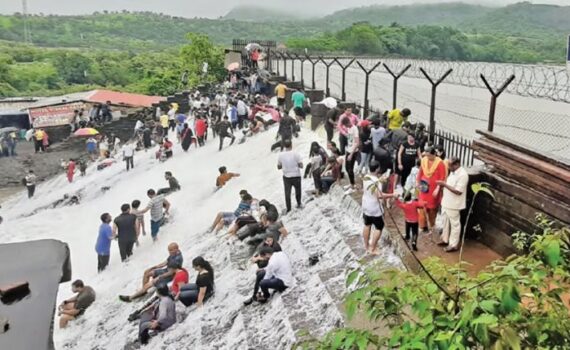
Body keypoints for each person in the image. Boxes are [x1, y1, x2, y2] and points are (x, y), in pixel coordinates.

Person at [361, 160, 397, 255]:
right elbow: (379, 195)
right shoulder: (377, 182)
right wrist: (392, 194)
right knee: (379, 227)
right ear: (377, 169)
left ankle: (366, 246)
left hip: (365, 205)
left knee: (367, 224)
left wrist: (380, 179)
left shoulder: (366, 177)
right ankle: (373, 248)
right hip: (375, 207)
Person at [436, 157, 469, 252]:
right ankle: (445, 239)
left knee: (455, 224)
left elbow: (458, 191)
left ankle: (453, 244)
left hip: (454, 204)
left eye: (450, 166)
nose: (449, 168)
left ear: (456, 164)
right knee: (445, 221)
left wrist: (444, 184)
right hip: (446, 201)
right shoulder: (453, 172)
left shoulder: (463, 175)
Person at [417, 146, 447, 235]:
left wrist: (438, 188)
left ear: (434, 154)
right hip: (424, 187)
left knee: (432, 209)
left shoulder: (440, 163)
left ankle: (432, 225)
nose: (428, 157)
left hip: (434, 190)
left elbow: (442, 177)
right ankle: (422, 226)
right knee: (421, 207)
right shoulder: (424, 160)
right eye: (426, 155)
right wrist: (418, 182)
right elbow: (420, 172)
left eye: (429, 156)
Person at [278, 139, 303, 213]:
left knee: (287, 193)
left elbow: (279, 167)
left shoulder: (281, 155)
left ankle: (288, 209)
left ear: (284, 146)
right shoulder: (296, 154)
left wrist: (285, 165)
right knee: (298, 191)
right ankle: (299, 204)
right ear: (291, 145)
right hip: (296, 175)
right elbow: (301, 165)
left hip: (286, 177)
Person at [343, 117, 360, 194]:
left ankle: (353, 186)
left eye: (346, 125)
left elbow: (357, 143)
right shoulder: (349, 129)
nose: (346, 127)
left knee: (350, 169)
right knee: (346, 168)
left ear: (348, 122)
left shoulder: (355, 129)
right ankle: (351, 183)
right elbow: (350, 139)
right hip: (348, 150)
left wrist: (351, 154)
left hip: (353, 152)